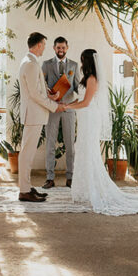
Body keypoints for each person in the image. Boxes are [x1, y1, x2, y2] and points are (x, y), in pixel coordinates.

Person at [64, 49, 138, 215]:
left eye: (83, 60)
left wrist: (67, 107)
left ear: (88, 61)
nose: (81, 63)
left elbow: (86, 102)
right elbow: (80, 99)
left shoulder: (92, 79)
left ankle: (91, 188)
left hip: (90, 117)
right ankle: (83, 188)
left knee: (89, 151)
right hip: (84, 118)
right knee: (82, 150)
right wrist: (69, 103)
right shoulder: (86, 79)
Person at [17, 32, 63, 203]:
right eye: (44, 44)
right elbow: (34, 93)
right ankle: (24, 190)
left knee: (27, 152)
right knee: (27, 154)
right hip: (33, 115)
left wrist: (50, 96)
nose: (44, 47)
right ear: (38, 45)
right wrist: (54, 106)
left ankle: (27, 187)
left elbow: (36, 90)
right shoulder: (30, 64)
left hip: (34, 114)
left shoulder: (30, 62)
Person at [42, 36, 80, 189]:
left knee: (70, 144)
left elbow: (77, 87)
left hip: (69, 110)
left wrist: (87, 92)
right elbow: (41, 86)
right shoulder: (46, 65)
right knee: (50, 143)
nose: (61, 50)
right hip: (52, 109)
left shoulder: (74, 65)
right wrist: (49, 95)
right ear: (54, 48)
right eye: (58, 48)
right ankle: (50, 178)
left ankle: (70, 177)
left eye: (63, 48)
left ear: (67, 48)